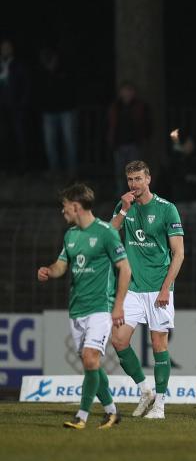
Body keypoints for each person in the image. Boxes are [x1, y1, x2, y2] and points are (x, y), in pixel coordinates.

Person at [37, 183, 131, 429]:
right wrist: (49, 271)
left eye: (65, 206)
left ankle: (82, 416)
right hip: (76, 308)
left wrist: (118, 305)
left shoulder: (105, 232)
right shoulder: (71, 235)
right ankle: (112, 411)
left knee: (90, 358)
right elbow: (62, 265)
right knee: (91, 364)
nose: (63, 211)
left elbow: (125, 268)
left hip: (100, 307)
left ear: (76, 206)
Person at [109, 160, 185, 420]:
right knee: (118, 339)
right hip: (132, 288)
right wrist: (123, 210)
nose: (134, 185)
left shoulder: (167, 209)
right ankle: (145, 390)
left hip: (158, 288)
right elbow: (109, 234)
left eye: (138, 179)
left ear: (148, 179)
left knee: (158, 344)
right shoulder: (124, 207)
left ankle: (160, 405)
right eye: (130, 180)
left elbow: (179, 253)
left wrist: (166, 288)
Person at [36, 48, 78, 176]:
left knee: (69, 141)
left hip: (67, 110)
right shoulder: (42, 73)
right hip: (49, 112)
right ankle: (55, 169)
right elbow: (39, 92)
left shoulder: (65, 70)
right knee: (50, 142)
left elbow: (72, 87)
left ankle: (72, 169)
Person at [107, 82, 150, 180]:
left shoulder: (140, 106)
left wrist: (144, 139)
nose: (127, 93)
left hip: (134, 145)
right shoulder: (115, 107)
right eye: (124, 91)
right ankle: (121, 194)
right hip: (119, 145)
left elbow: (147, 124)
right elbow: (110, 125)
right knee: (120, 173)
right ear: (120, 92)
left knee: (135, 174)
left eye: (129, 91)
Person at [0, 39, 31, 171]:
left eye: (8, 47)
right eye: (3, 47)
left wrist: (21, 104)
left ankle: (22, 166)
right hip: (1, 108)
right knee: (3, 137)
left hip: (15, 108)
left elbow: (26, 86)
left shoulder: (18, 65)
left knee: (19, 137)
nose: (6, 50)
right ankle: (5, 166)